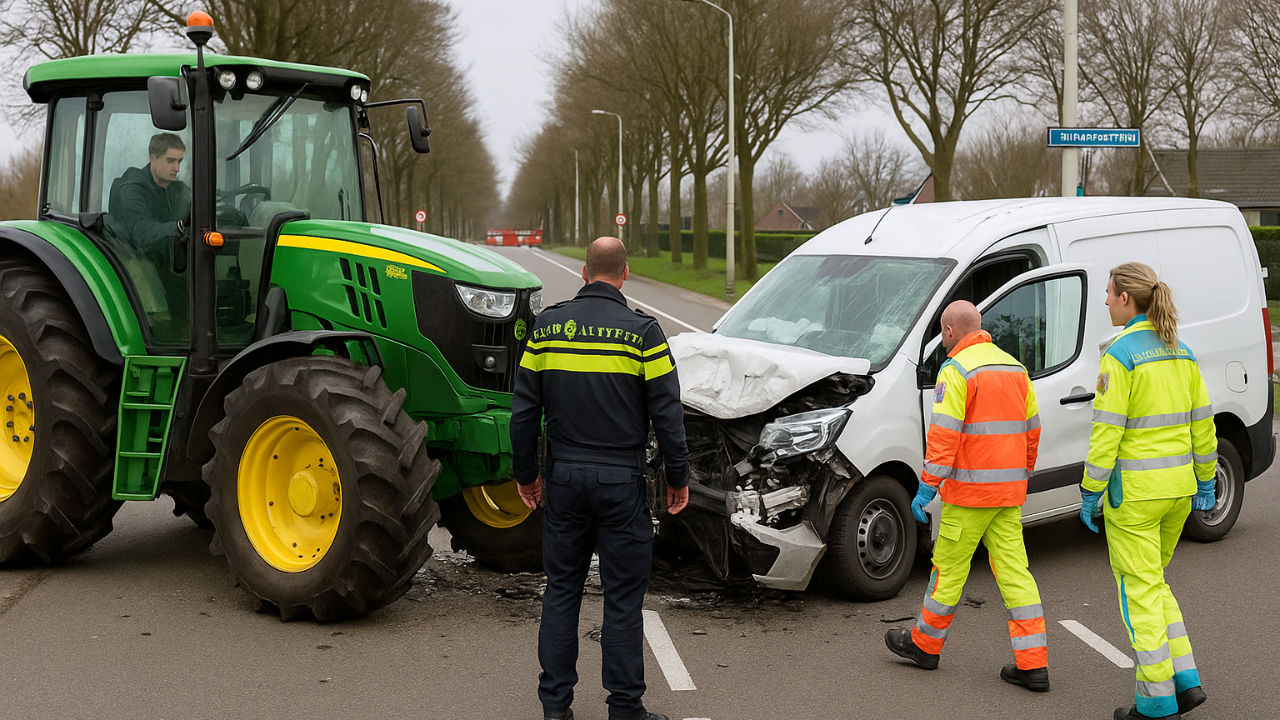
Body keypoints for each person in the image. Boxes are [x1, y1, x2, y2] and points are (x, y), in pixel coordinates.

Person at [510, 236, 690, 720]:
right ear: (625, 274)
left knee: (562, 591)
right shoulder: (645, 333)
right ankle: (625, 709)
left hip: (564, 481)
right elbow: (668, 416)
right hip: (621, 484)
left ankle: (555, 709)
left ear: (584, 274)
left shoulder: (547, 330)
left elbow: (523, 411)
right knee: (624, 600)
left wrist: (526, 475)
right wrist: (678, 477)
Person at [885, 300, 1050, 691]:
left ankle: (925, 646)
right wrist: (1021, 475)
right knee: (1016, 575)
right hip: (1007, 496)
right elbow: (1033, 430)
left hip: (969, 497)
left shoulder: (956, 370)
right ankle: (1033, 665)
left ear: (949, 331)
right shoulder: (1015, 368)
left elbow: (944, 436)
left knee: (949, 571)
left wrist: (927, 487)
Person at [1080, 263, 1214, 720]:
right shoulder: (1183, 352)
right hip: (1178, 492)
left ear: (1125, 300)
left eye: (1108, 293)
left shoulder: (1119, 355)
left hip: (1134, 497)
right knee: (1155, 585)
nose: (1104, 301)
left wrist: (1090, 489)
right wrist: (1207, 479)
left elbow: (1107, 432)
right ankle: (1185, 679)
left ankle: (1156, 703)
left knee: (1139, 594)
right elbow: (1203, 426)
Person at [108, 132, 190, 257]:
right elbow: (141, 233)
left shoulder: (176, 188)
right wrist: (179, 227)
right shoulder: (132, 189)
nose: (177, 168)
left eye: (179, 161)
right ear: (153, 159)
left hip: (167, 256)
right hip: (135, 258)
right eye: (171, 161)